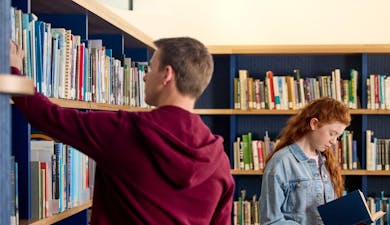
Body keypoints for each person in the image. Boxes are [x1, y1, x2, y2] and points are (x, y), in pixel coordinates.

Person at [10, 37, 234, 225]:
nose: (145, 76)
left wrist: (13, 72)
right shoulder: (220, 163)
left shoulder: (124, 130)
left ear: (167, 75)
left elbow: (47, 116)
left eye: (150, 68)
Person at [259, 97, 351, 225]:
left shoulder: (325, 162)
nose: (334, 141)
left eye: (338, 136)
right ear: (314, 124)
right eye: (332, 133)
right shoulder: (281, 163)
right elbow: (271, 221)